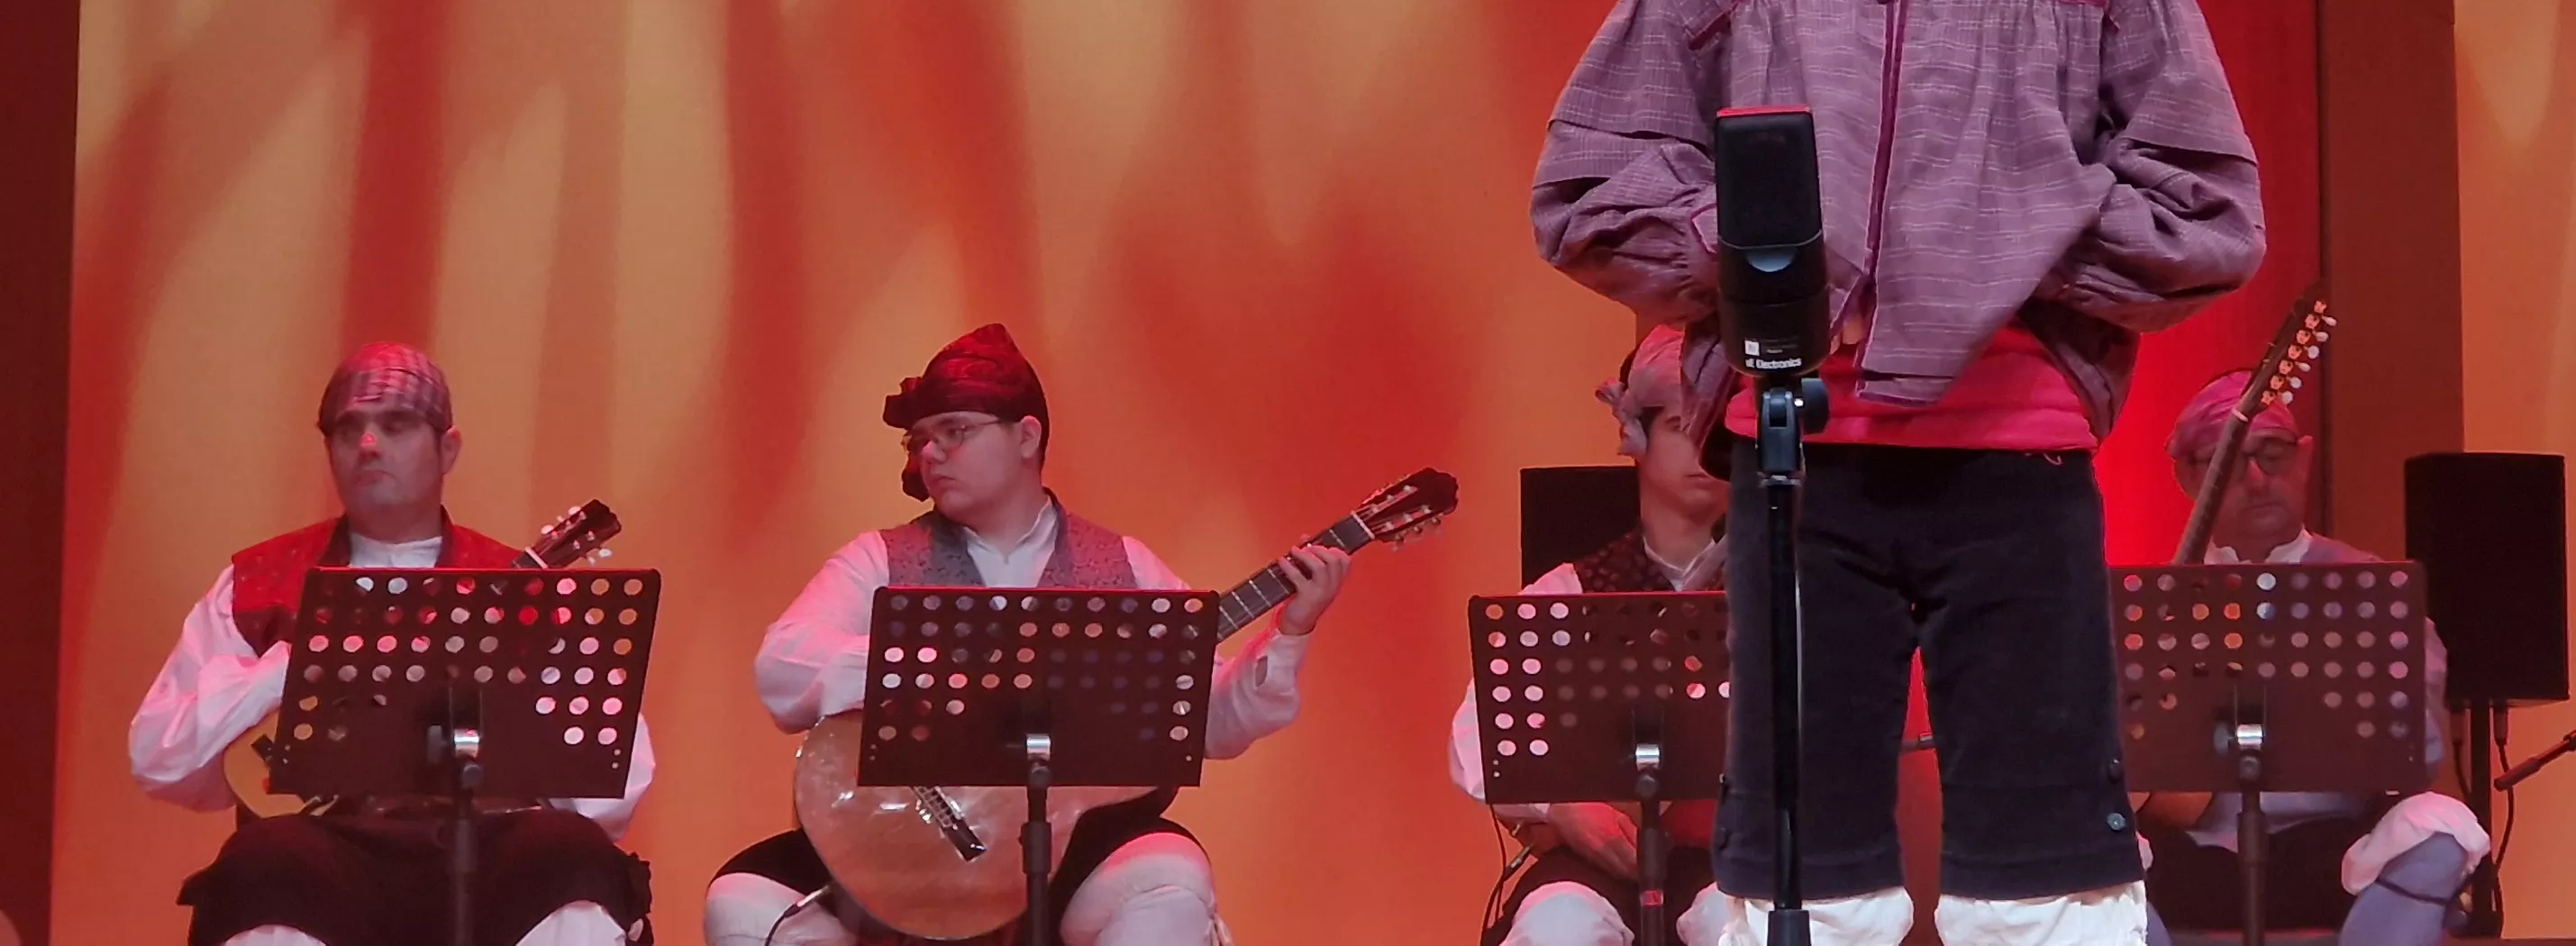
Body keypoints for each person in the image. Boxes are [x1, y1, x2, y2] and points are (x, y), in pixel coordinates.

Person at [1536, 0, 2267, 946]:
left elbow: (2205, 215)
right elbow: (1588, 185)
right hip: (1797, 461)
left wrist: (2002, 231)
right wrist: (1762, 258)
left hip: (2020, 457)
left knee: (2045, 872)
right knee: (1800, 877)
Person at [698, 324, 1349, 946]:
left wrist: (1291, 630)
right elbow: (782, 668)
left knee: (1170, 879)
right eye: (921, 440)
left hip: (1073, 851)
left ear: (1026, 435)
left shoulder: (1122, 564)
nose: (931, 454)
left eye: (953, 432)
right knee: (745, 904)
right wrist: (936, 671)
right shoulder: (877, 560)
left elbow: (1211, 722)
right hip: (909, 853)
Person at [129, 343, 655, 946]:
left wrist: (514, 696)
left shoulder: (522, 595)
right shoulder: (258, 582)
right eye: (348, 429)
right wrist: (296, 669)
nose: (369, 445)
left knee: (569, 851)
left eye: (396, 424)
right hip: (322, 852)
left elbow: (615, 790)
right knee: (264, 862)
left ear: (448, 449)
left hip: (484, 844)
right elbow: (158, 759)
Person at [2138, 374, 2483, 946]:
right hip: (2190, 853)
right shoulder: (2156, 605)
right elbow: (2116, 768)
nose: (2256, 479)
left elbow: (2419, 754)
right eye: (2230, 461)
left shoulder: (2370, 589)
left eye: (2271, 455)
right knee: (2075, 853)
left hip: (2334, 850)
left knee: (2441, 831)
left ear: (2303, 460)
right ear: (2188, 477)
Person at [1453, 328, 1737, 946]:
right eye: (1681, 426)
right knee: (1559, 925)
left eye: (1719, 431)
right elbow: (1477, 732)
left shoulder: (1773, 591)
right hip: (1593, 854)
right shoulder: (1568, 590)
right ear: (1636, 435)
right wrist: (1562, 810)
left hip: (1734, 852)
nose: (1703, 450)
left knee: (1752, 926)